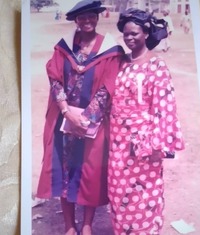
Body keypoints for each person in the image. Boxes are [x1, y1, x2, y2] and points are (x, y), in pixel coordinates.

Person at [36, 1, 124, 235]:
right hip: (64, 122)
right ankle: (69, 225)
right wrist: (66, 112)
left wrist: (86, 119)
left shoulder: (110, 49)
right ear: (76, 20)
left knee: (90, 172)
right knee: (66, 170)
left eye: (91, 16)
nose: (87, 21)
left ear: (98, 17)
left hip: (92, 123)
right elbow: (55, 79)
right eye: (82, 17)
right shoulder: (64, 48)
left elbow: (108, 86)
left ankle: (86, 225)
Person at [108, 8, 185, 235]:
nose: (130, 38)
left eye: (135, 33)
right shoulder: (120, 62)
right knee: (119, 189)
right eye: (126, 34)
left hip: (144, 143)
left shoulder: (156, 66)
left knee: (143, 191)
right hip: (117, 142)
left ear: (146, 33)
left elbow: (165, 107)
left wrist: (158, 145)